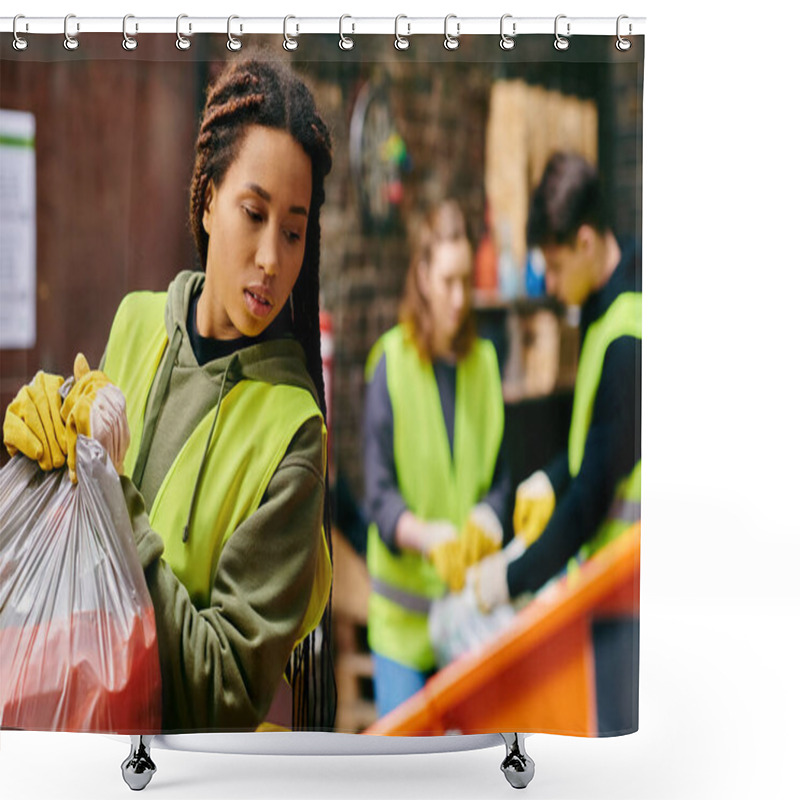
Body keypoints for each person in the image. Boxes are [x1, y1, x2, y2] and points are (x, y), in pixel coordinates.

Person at [3, 56, 335, 733]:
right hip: (81, 737)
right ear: (208, 198)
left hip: (197, 772)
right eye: (254, 212)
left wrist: (109, 490)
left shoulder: (293, 435)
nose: (273, 258)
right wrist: (48, 444)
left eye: (294, 231)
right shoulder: (135, 322)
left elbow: (223, 691)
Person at [467, 152, 641, 733]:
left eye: (556, 264)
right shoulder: (604, 306)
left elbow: (592, 501)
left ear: (587, 241)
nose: (550, 281)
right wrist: (552, 473)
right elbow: (600, 440)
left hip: (630, 594)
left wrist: (511, 578)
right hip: (611, 584)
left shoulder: (628, 340)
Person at [363, 200, 511, 716]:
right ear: (422, 275)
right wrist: (427, 537)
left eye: (466, 281)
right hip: (402, 632)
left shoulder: (486, 364)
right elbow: (378, 496)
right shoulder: (390, 363)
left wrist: (489, 513)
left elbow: (500, 476)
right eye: (447, 280)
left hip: (470, 616)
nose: (458, 297)